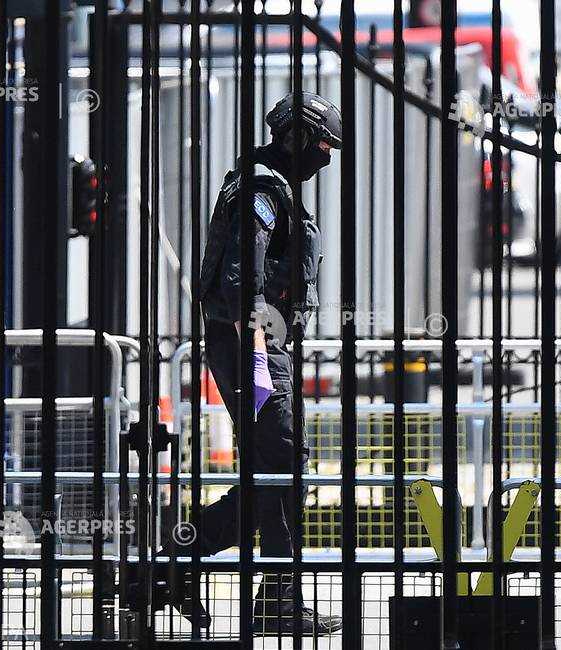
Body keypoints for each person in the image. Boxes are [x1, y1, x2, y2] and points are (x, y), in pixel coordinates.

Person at [155, 91, 343, 636]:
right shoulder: (262, 188)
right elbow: (242, 276)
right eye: (323, 145)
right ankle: (272, 598)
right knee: (281, 467)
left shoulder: (272, 185)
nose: (326, 157)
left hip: (260, 345)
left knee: (278, 472)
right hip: (253, 345)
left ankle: (176, 564)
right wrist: (260, 355)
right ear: (298, 138)